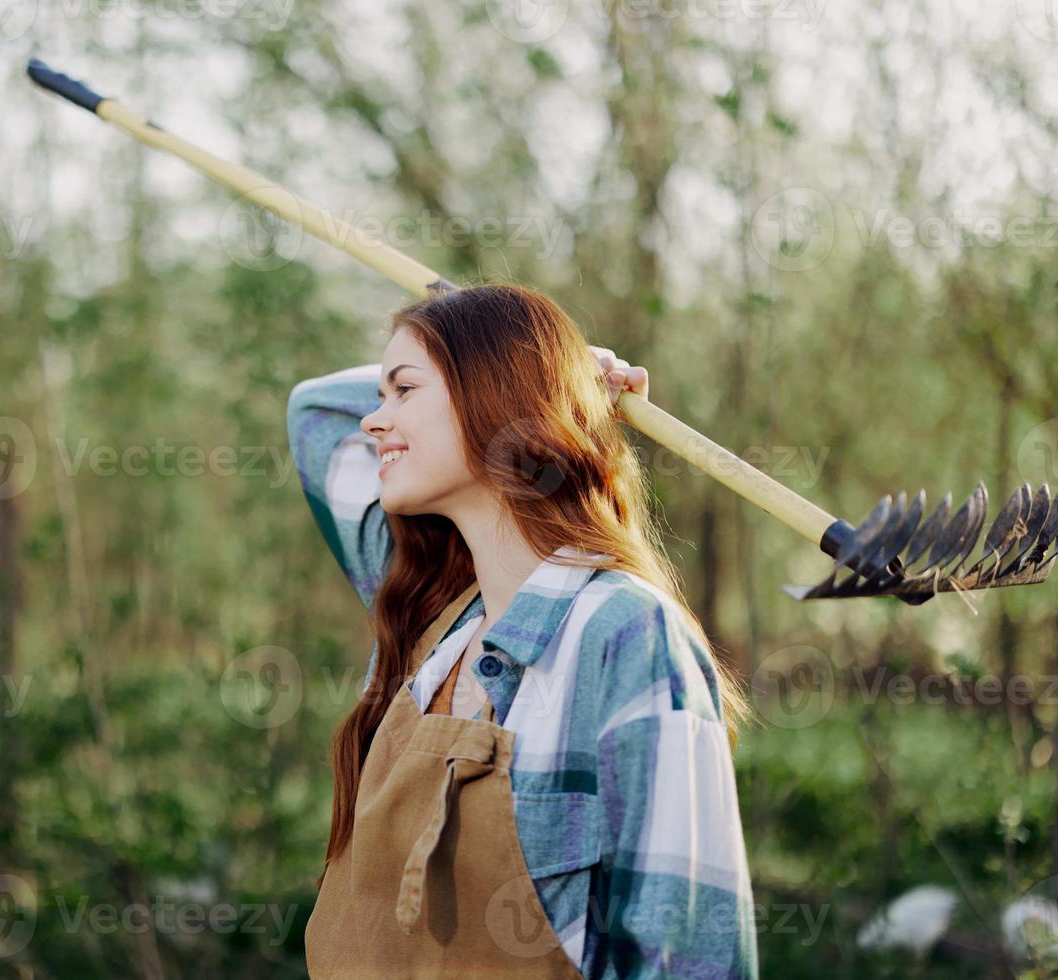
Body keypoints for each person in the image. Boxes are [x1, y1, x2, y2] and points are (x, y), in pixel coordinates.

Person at [286, 282, 759, 978]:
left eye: (403, 391)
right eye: (380, 395)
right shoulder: (428, 616)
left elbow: (683, 955)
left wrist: (552, 374)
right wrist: (560, 369)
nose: (373, 422)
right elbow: (314, 413)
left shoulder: (625, 634)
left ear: (497, 396)